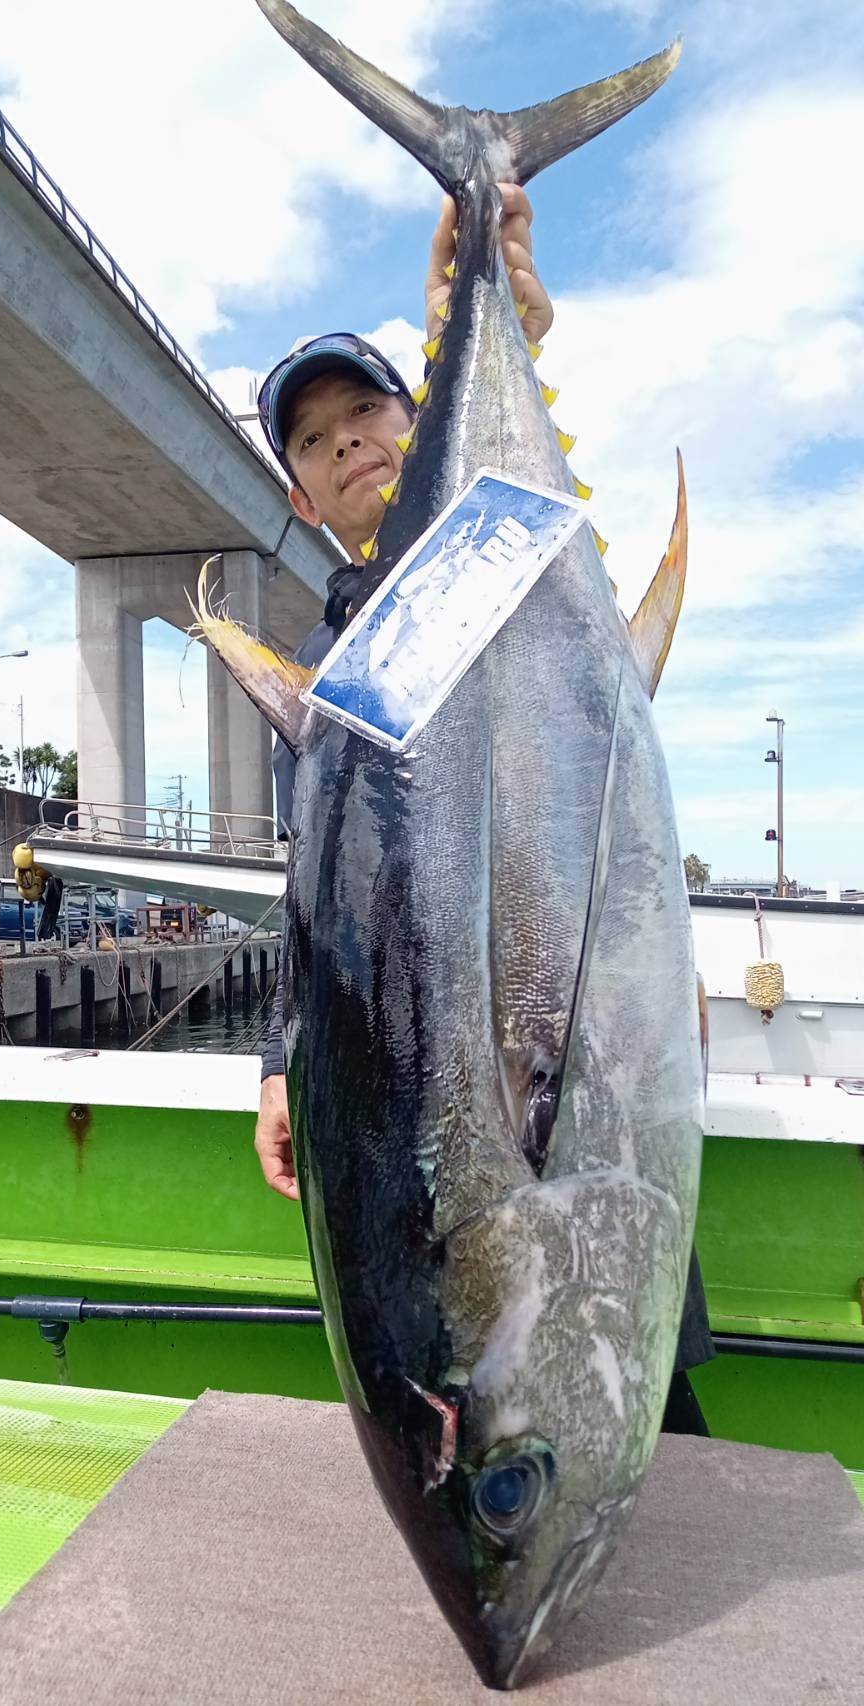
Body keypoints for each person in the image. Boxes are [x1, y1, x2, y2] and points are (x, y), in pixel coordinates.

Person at [253, 186, 714, 1434]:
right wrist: (281, 1060)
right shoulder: (331, 673)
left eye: (366, 411)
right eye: (314, 441)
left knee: (638, 1384)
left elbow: (519, 547)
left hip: (575, 1068)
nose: (346, 442)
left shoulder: (490, 556)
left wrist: (500, 315)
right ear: (302, 499)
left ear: (412, 420)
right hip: (468, 1084)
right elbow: (321, 908)